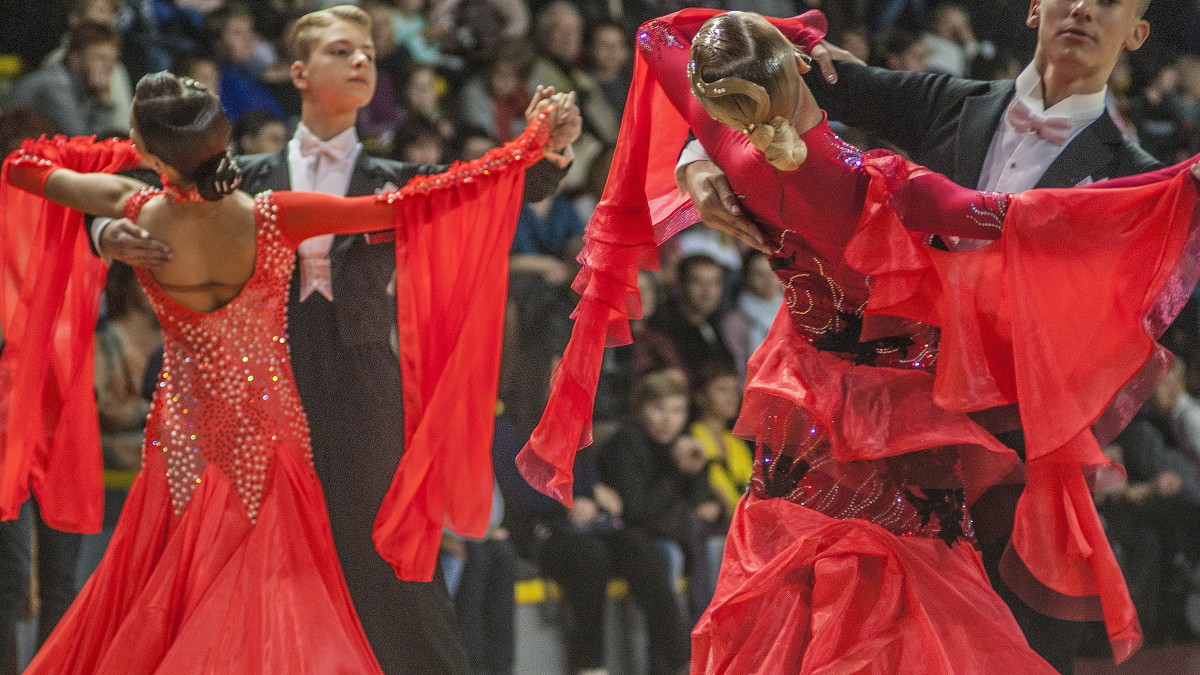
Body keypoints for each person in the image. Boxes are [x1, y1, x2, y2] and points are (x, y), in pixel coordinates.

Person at [517, 8, 1200, 673]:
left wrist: (718, 133)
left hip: (980, 450)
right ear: (1032, 9)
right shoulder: (913, 138)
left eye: (1109, 0)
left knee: (901, 622)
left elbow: (667, 40)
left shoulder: (1124, 176)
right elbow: (996, 212)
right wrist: (697, 164)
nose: (1081, 8)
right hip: (888, 433)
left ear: (1138, 32)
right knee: (886, 619)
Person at [0, 66, 558, 672]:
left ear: (149, 148)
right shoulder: (274, 215)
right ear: (223, 142)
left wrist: (119, 182)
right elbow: (408, 203)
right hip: (268, 435)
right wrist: (523, 152)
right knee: (272, 588)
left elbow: (21, 168)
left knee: (178, 582)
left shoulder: (129, 206)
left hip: (184, 432)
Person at [4, 22, 124, 137]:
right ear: (75, 58)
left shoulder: (86, 85)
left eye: (112, 60)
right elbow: (82, 141)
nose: (108, 67)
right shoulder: (55, 85)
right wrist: (102, 104)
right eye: (100, 58)